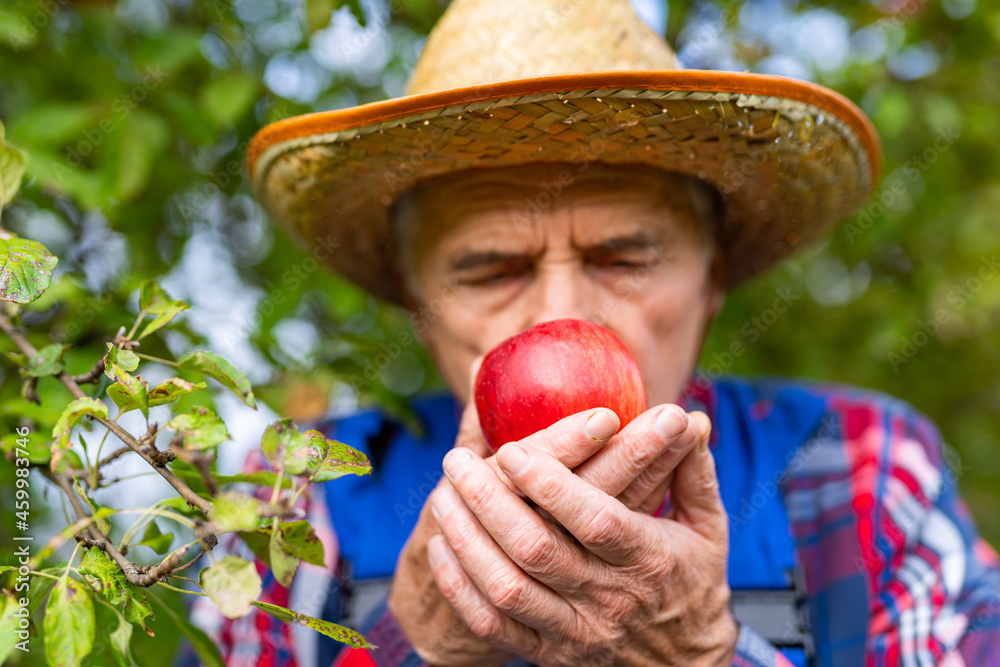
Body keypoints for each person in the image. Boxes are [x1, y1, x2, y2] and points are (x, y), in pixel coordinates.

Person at [187, 0, 1000, 665]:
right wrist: (416, 643)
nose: (557, 316)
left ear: (711, 279)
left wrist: (709, 652)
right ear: (416, 300)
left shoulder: (861, 469)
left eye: (625, 255)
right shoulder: (300, 501)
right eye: (489, 268)